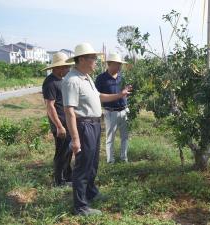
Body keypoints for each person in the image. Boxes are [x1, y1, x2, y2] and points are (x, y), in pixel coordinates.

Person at [62, 43, 132, 216]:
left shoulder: (86, 77)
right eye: (93, 58)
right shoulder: (72, 80)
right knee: (82, 167)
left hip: (93, 124)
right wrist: (76, 139)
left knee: (92, 163)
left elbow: (99, 97)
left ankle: (90, 192)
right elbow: (69, 111)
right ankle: (80, 207)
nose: (96, 61)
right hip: (83, 125)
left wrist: (120, 95)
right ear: (83, 59)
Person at [41, 52, 74, 187]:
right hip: (60, 124)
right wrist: (59, 126)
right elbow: (50, 106)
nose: (68, 69)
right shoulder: (50, 83)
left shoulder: (61, 80)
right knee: (61, 153)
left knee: (68, 151)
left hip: (67, 123)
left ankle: (67, 176)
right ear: (59, 67)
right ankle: (59, 181)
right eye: (66, 67)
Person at [95, 53, 129, 163]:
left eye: (120, 64)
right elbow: (97, 96)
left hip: (124, 110)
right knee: (110, 138)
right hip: (110, 112)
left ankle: (124, 158)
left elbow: (125, 93)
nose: (119, 66)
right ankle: (110, 161)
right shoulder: (101, 79)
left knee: (125, 136)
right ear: (109, 64)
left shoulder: (122, 77)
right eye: (117, 64)